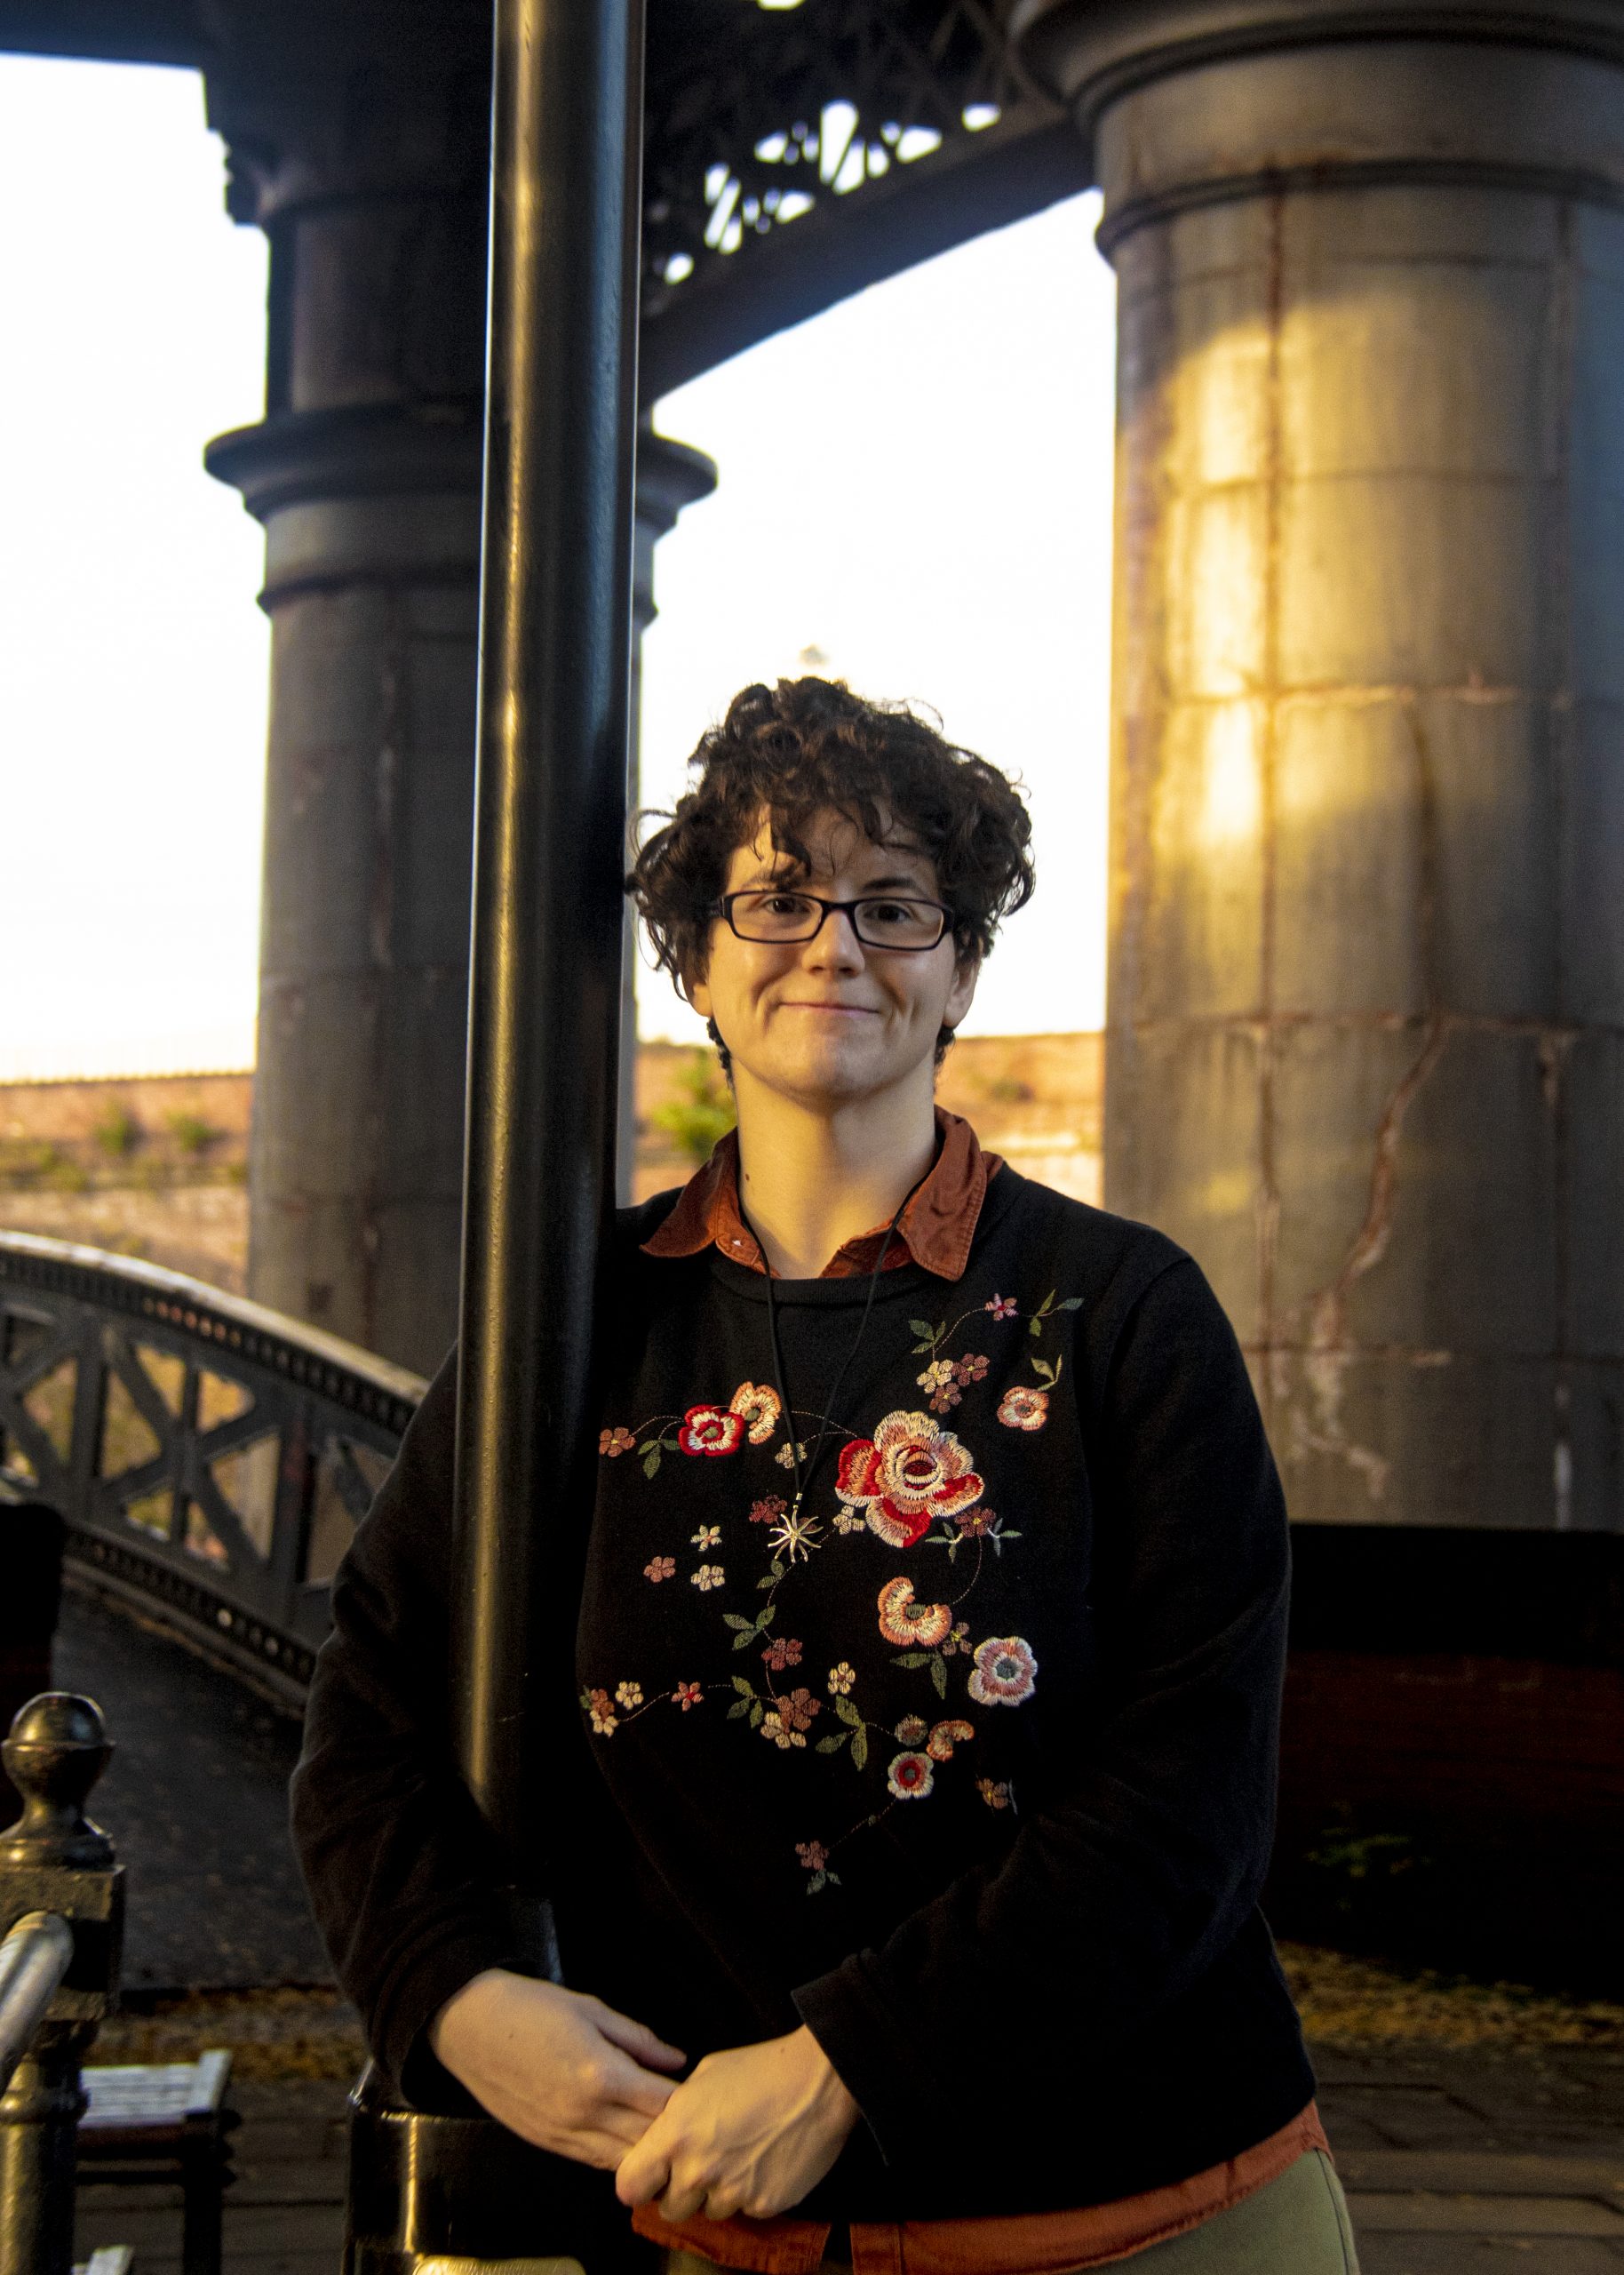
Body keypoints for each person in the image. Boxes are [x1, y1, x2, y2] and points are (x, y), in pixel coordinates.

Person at [291, 677, 1361, 2272]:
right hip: (726, 2236)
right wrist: (451, 1991)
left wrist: (851, 2058)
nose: (834, 943)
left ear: (963, 972)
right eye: (778, 899)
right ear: (702, 971)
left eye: (895, 905)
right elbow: (371, 1711)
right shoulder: (569, 1322)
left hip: (1145, 2212)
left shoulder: (1122, 1315)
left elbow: (1192, 1801)